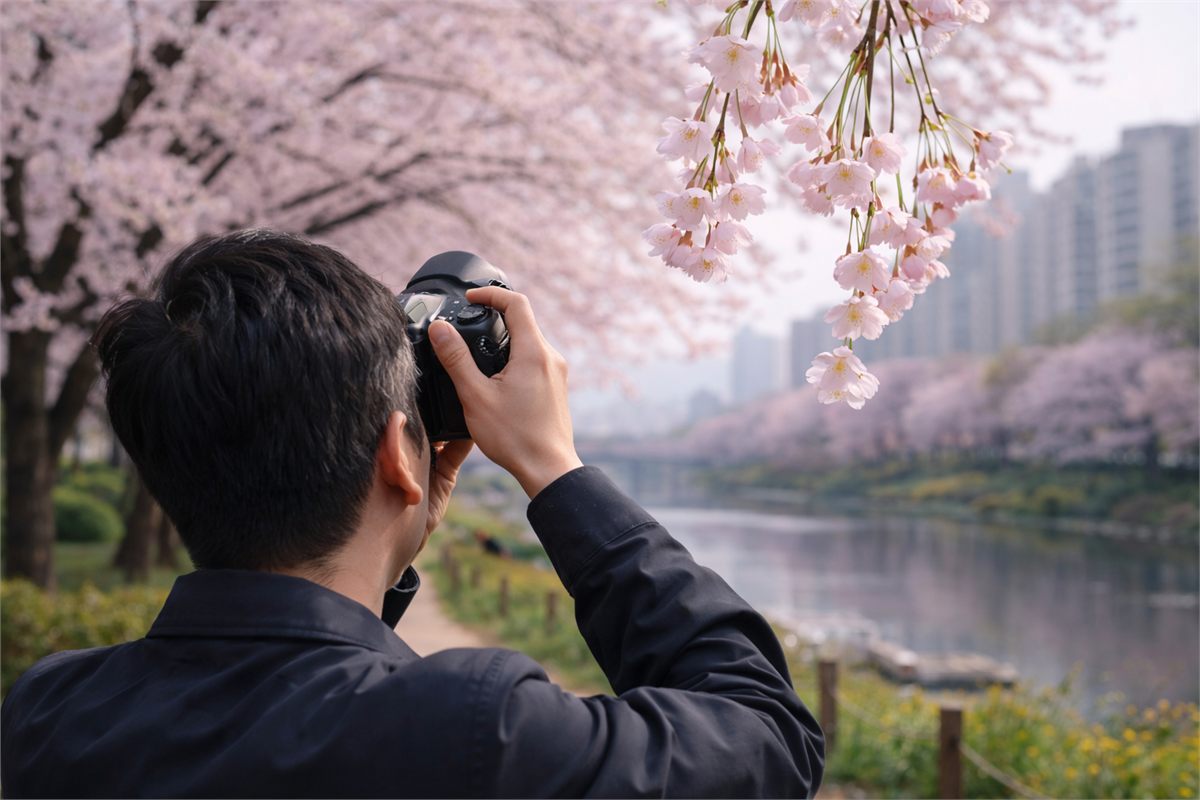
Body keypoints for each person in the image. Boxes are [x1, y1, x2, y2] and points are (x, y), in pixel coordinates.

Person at [0, 230, 824, 798]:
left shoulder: (50, 712)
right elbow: (766, 736)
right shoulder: (474, 732)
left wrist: (390, 538)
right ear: (401, 453)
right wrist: (554, 468)